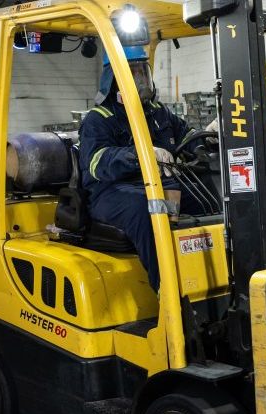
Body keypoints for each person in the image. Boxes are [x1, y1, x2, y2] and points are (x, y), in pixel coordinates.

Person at [79, 45, 206, 292]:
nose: (141, 80)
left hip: (158, 185)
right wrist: (141, 155)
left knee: (205, 199)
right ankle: (166, 291)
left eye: (143, 72)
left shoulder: (158, 113)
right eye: (133, 73)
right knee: (151, 210)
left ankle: (209, 277)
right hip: (112, 192)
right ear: (114, 79)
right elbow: (96, 162)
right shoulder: (99, 119)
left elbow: (186, 135)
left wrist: (204, 139)